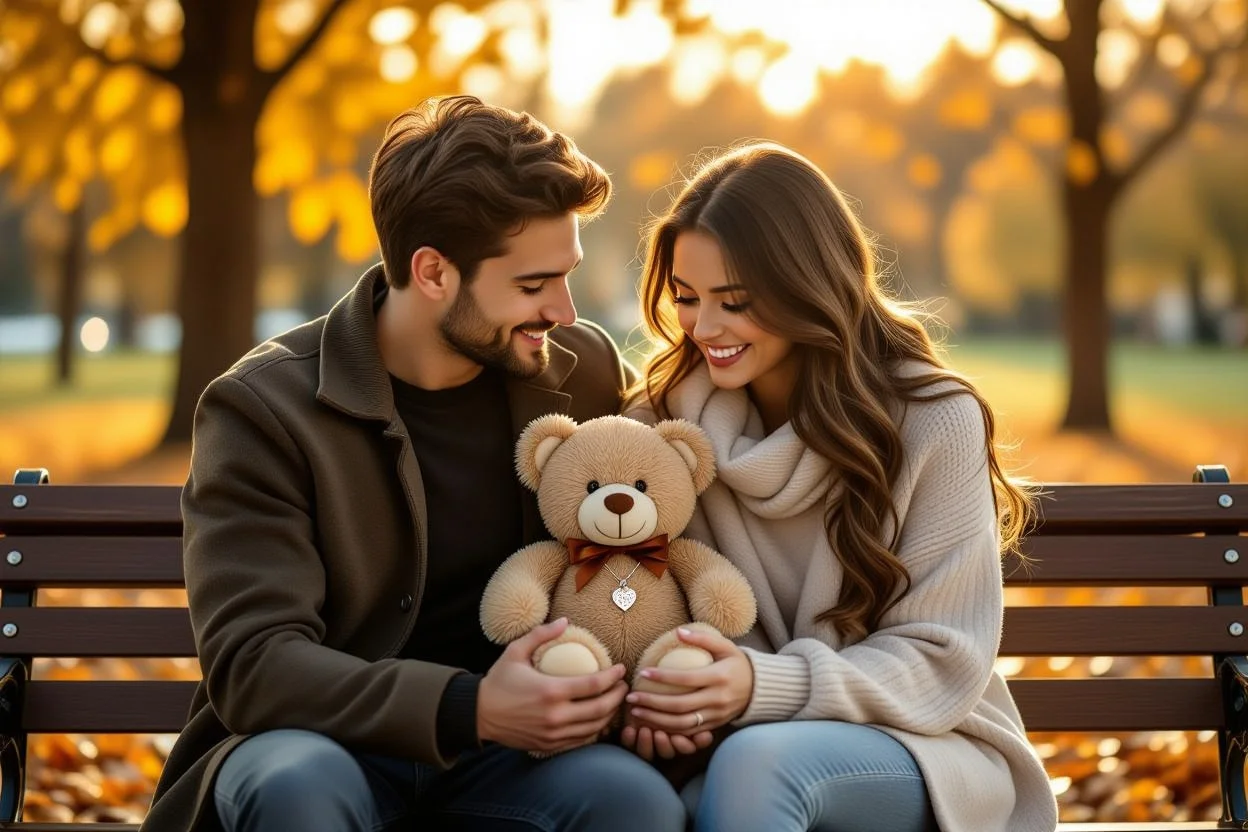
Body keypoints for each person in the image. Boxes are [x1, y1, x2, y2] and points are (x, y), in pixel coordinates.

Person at [140, 96, 688, 832]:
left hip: (512, 762)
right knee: (298, 786)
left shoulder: (579, 371)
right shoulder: (263, 408)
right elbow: (256, 664)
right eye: (532, 285)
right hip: (319, 747)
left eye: (567, 275)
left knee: (634, 801)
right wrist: (471, 707)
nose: (563, 310)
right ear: (432, 272)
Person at [620, 142, 1060, 832]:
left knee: (760, 765)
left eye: (734, 302)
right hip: (728, 742)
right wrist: (666, 694)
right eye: (686, 297)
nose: (704, 328)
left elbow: (942, 662)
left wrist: (760, 685)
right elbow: (636, 603)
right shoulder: (660, 426)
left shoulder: (932, 419)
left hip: (925, 744)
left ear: (808, 284)